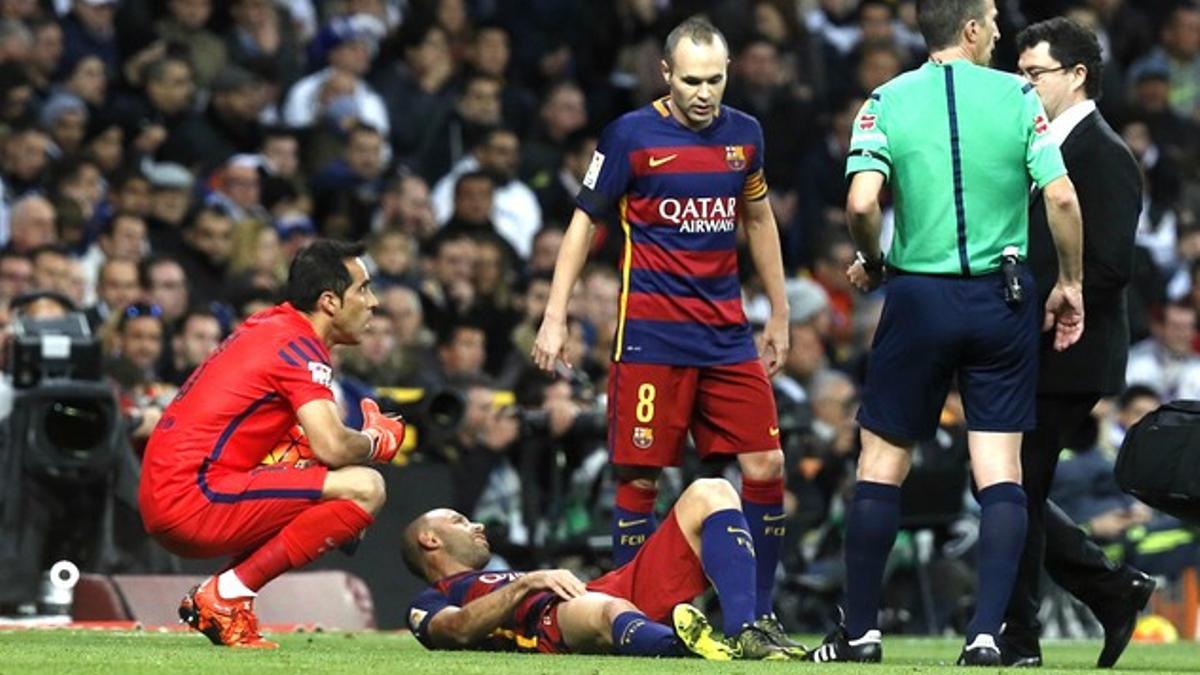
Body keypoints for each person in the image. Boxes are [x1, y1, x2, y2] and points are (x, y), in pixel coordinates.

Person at [805, 0, 1085, 666]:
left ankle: (861, 633)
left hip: (918, 296)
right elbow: (1064, 197)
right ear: (969, 29)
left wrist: (873, 261)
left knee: (881, 465)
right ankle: (987, 635)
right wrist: (1069, 282)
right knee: (998, 471)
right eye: (990, 18)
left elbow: (862, 201)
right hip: (1003, 297)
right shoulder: (1019, 97)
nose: (997, 29)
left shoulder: (887, 100)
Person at [530, 17, 795, 649]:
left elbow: (758, 220)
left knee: (768, 463)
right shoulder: (630, 136)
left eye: (717, 80)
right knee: (642, 477)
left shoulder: (745, 135)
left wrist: (780, 314)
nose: (706, 93)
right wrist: (554, 312)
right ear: (667, 74)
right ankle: (634, 611)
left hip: (728, 335)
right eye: (694, 80)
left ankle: (754, 616)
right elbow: (582, 224)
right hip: (651, 337)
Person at [138, 239, 409, 649]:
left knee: (312, 455)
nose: (373, 302)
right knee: (365, 487)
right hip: (194, 497)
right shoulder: (299, 348)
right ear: (330, 302)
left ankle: (227, 598)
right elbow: (335, 446)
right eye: (364, 289)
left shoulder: (273, 327)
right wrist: (375, 440)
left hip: (174, 491)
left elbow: (312, 443)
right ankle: (225, 597)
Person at [1003, 18, 1155, 669]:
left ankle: (1020, 636)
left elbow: (1114, 263)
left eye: (1034, 72)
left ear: (1077, 75)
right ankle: (1110, 590)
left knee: (1011, 485)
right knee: (1014, 487)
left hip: (1073, 348)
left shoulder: (1103, 153)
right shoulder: (1041, 145)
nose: (1022, 82)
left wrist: (1051, 298)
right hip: (1038, 345)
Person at [403, 478, 796, 660]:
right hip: (550, 619)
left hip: (598, 589)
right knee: (603, 609)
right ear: (430, 540)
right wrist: (530, 582)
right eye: (459, 520)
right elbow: (457, 630)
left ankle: (744, 631)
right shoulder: (430, 601)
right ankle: (689, 653)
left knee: (711, 492)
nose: (478, 525)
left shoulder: (494, 579)